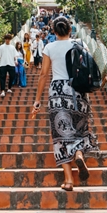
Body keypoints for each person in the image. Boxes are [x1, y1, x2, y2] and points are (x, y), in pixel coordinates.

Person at [30, 16, 98, 191]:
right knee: (80, 129)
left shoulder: (49, 47)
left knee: (61, 135)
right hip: (78, 92)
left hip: (58, 92)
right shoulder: (80, 44)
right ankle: (79, 152)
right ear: (70, 30)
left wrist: (37, 101)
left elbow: (44, 74)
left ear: (53, 31)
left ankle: (69, 181)